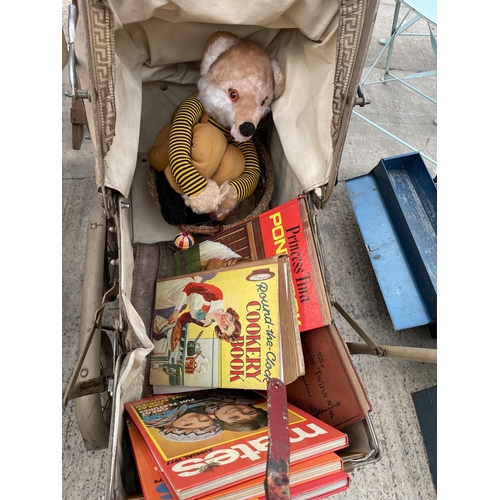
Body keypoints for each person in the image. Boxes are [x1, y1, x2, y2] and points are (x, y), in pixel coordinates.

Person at [154, 275, 241, 350]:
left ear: (221, 332)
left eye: (226, 327)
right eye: (231, 319)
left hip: (175, 302)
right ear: (232, 314)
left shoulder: (206, 322)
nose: (225, 320)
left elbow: (187, 317)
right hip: (180, 287)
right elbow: (191, 286)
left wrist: (178, 330)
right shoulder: (217, 296)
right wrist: (176, 311)